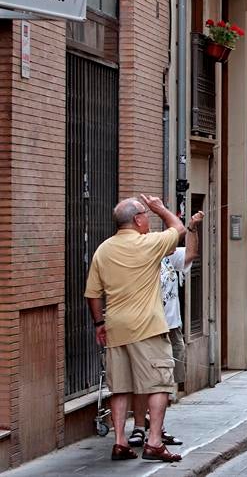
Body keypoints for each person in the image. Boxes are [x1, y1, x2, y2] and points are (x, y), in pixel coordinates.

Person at [84, 195, 185, 463]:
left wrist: (99, 323)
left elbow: (92, 294)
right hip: (148, 328)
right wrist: (161, 208)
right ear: (138, 219)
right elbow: (179, 228)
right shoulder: (148, 244)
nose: (149, 220)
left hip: (116, 328)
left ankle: (119, 442)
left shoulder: (103, 250)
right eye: (146, 216)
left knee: (120, 388)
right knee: (159, 384)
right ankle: (153, 442)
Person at [128, 210, 205, 449]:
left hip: (171, 328)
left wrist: (192, 228)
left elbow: (192, 252)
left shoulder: (170, 258)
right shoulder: (142, 258)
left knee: (167, 382)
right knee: (143, 380)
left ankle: (157, 429)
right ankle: (140, 427)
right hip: (147, 327)